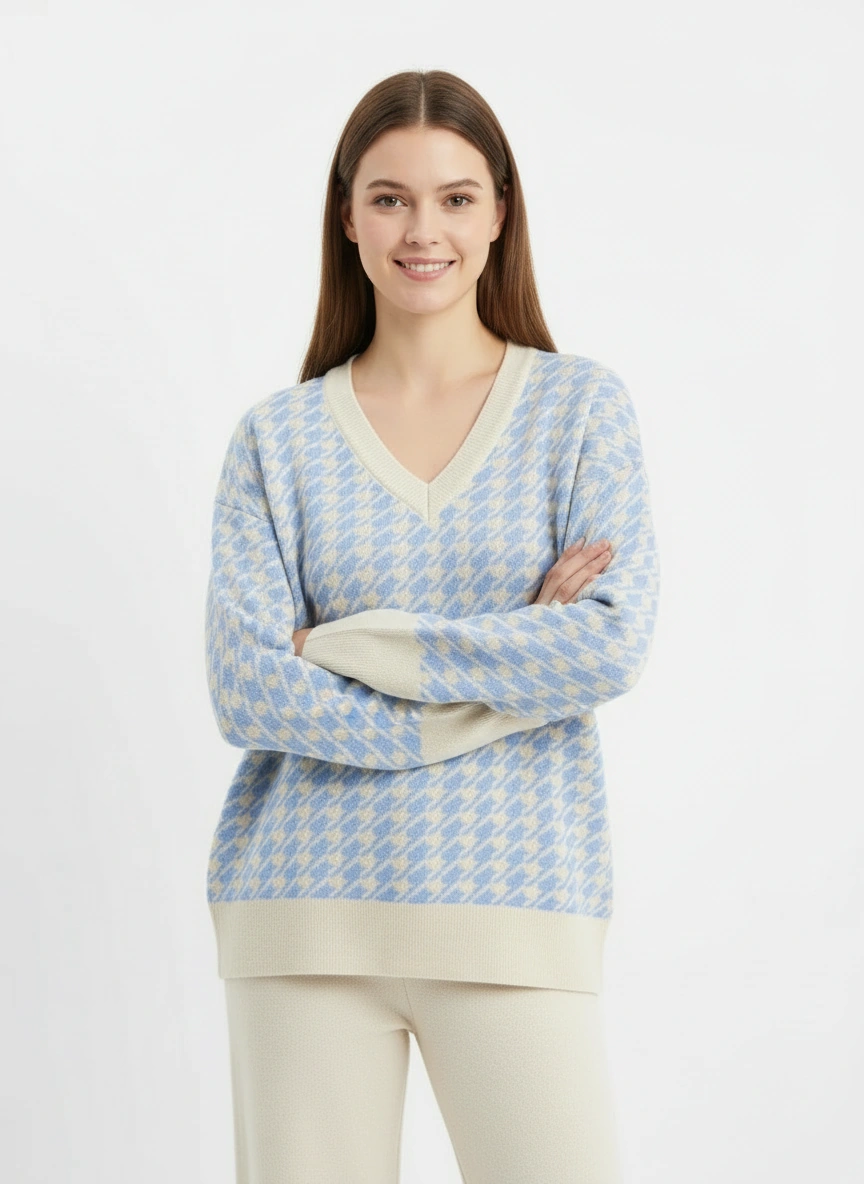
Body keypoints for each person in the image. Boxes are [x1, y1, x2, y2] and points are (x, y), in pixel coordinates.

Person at [205, 67, 660, 1184]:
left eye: (455, 198)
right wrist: (514, 664)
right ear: (347, 217)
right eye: (390, 198)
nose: (424, 230)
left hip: (519, 907)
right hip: (302, 913)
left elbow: (608, 641)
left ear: (500, 213)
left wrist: (346, 647)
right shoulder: (276, 440)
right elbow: (248, 688)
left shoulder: (578, 410)